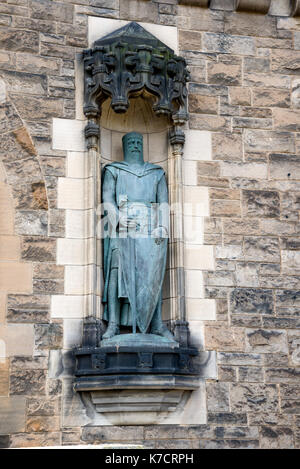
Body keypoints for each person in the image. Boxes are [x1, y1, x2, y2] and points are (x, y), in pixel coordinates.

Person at [101, 131, 173, 341]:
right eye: (130, 142)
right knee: (116, 270)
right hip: (122, 227)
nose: (134, 145)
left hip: (150, 228)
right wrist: (119, 220)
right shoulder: (114, 170)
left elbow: (163, 205)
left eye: (137, 142)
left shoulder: (156, 173)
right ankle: (113, 324)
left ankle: (157, 323)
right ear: (125, 146)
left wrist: (162, 228)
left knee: (153, 273)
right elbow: (107, 198)